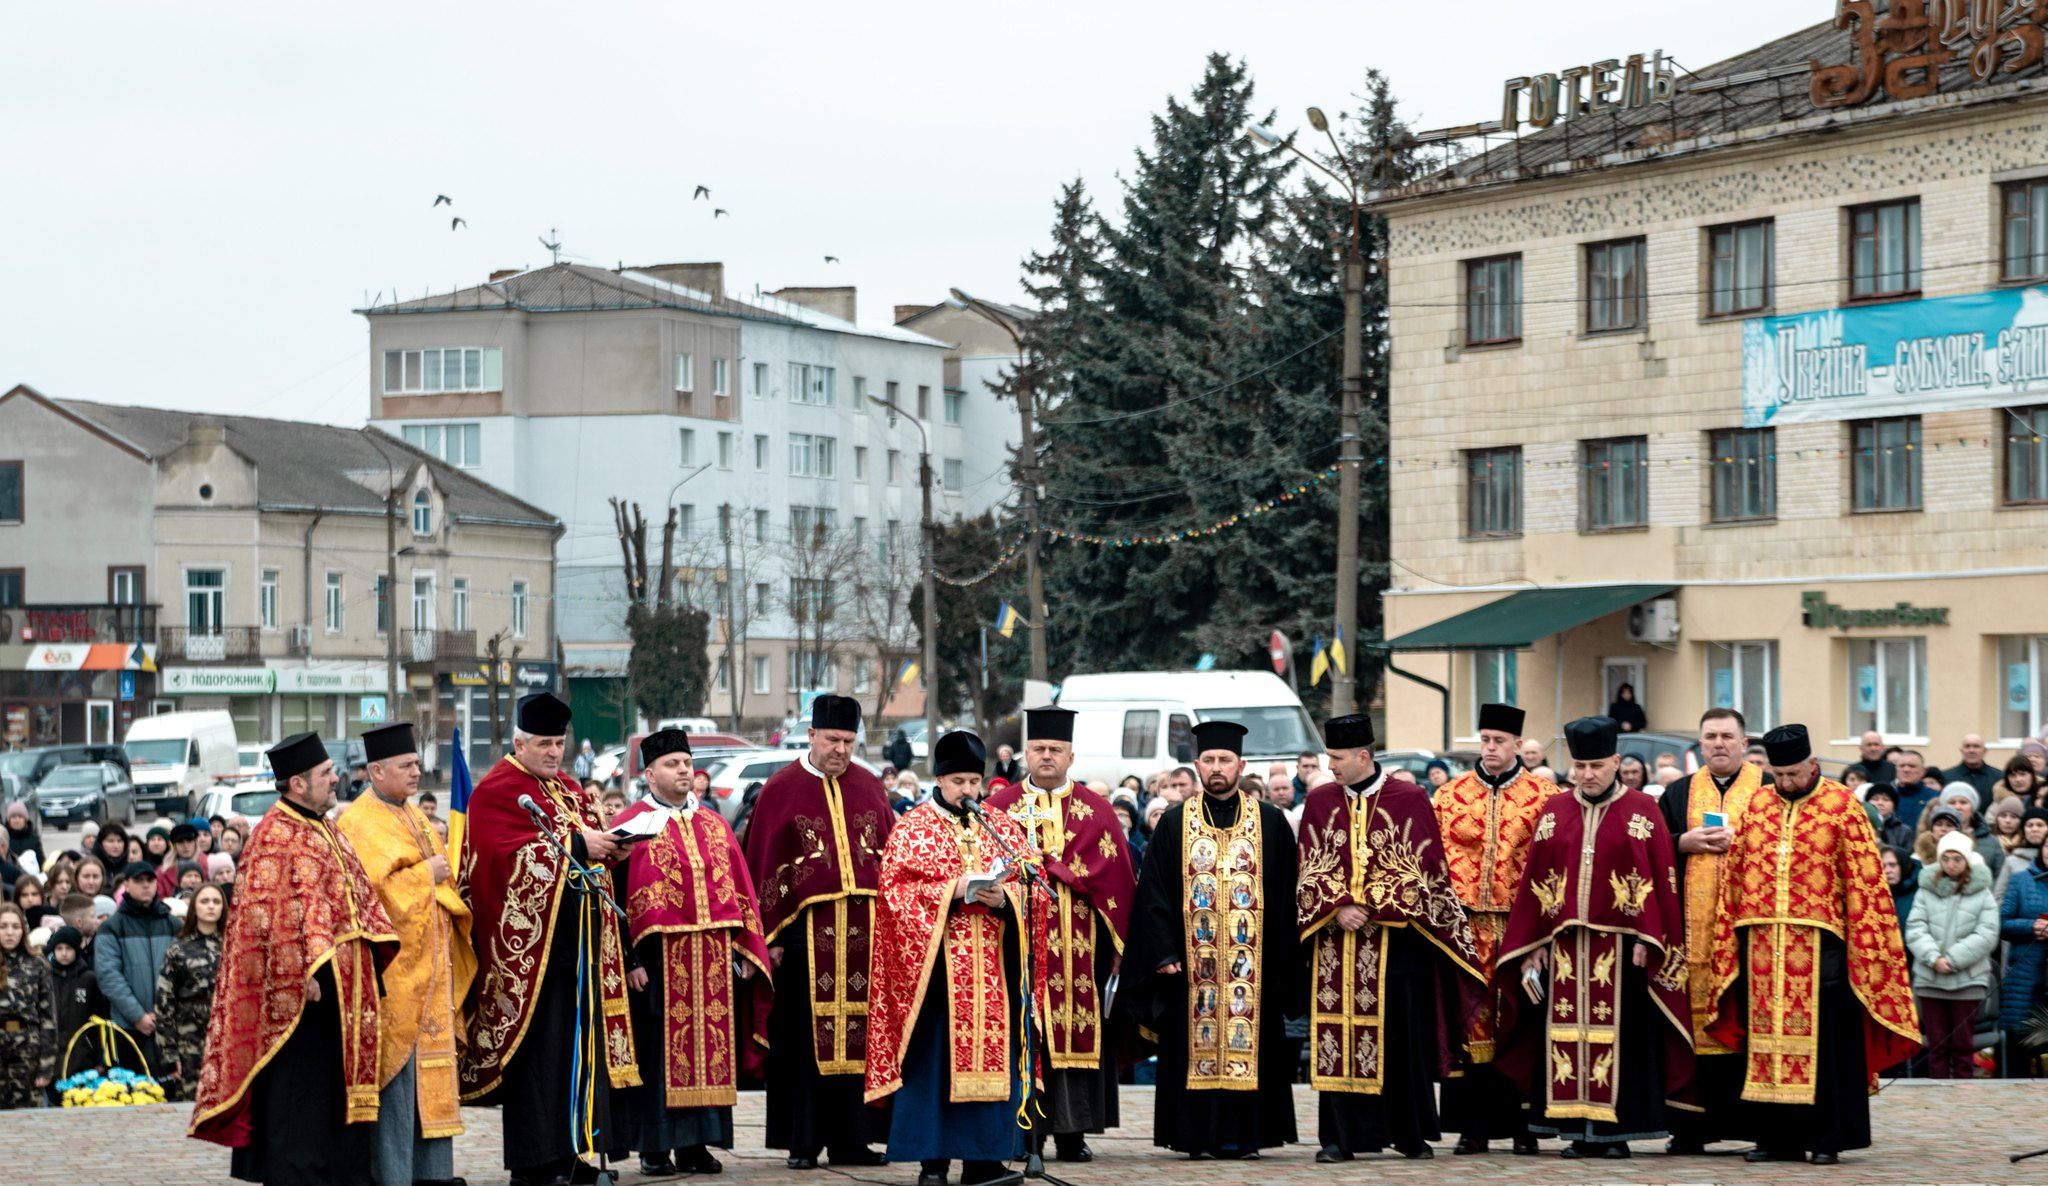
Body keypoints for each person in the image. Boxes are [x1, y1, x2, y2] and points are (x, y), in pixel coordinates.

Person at [190, 732, 399, 1186]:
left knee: (337, 1102)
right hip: (303, 1000)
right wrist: (298, 972)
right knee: (299, 1101)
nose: (335, 779)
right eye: (326, 774)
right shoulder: (274, 834)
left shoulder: (324, 826)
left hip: (346, 991)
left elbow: (353, 899)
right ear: (297, 784)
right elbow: (263, 920)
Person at [1705, 724, 1920, 1166]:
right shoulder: (1758, 805)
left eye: (1793, 774)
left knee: (1826, 1047)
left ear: (1812, 764)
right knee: (1764, 1043)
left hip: (1823, 949)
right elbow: (1736, 873)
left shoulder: (1842, 806)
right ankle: (1774, 1138)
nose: (1785, 783)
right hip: (1762, 946)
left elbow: (1865, 882)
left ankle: (1827, 1137)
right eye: (1778, 775)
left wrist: (1861, 946)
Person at [1495, 717, 1692, 1160]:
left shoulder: (1643, 810)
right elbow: (1536, 882)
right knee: (1564, 1036)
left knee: (1620, 1038)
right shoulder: (1555, 811)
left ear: (1617, 762)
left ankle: (1612, 1133)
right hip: (1564, 948)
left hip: (1623, 948)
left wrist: (1650, 934)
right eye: (1581, 765)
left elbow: (1662, 879)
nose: (1588, 774)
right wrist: (1535, 943)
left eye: (1597, 765)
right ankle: (1576, 1130)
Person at [461, 693, 637, 1186]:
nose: (554, 753)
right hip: (527, 959)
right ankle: (533, 1165)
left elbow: (588, 838)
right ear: (519, 742)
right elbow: (500, 860)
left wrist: (611, 847)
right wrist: (582, 845)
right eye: (544, 744)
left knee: (574, 1058)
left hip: (576, 949)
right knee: (536, 1062)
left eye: (559, 743)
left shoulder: (568, 788)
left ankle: (570, 1155)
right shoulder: (497, 790)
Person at [1298, 713, 1481, 1163]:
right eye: (1328, 757)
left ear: (1364, 756)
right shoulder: (1321, 801)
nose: (1331, 766)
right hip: (1335, 947)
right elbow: (1306, 868)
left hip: (1397, 947)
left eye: (1338, 758)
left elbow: (1427, 871)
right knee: (1335, 1041)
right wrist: (1337, 903)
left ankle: (1409, 1133)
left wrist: (1376, 905)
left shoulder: (1409, 798)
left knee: (1402, 1040)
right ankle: (1339, 1138)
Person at [866, 731, 1043, 1186]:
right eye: (958, 781)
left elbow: (1032, 884)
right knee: (935, 1066)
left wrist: (1005, 898)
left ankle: (985, 1160)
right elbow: (894, 894)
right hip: (937, 976)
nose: (968, 790)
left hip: (993, 974)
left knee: (994, 1063)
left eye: (974, 781)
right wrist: (956, 891)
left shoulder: (1001, 827)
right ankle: (934, 1163)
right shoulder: (913, 828)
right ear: (939, 780)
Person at [1121, 720, 1301, 1159]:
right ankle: (1194, 1138)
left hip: (1253, 969)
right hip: (1191, 968)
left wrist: (1281, 958)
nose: (1217, 768)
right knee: (1189, 1048)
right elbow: (1154, 894)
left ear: (1241, 765)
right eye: (1209, 761)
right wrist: (1163, 951)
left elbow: (1284, 895)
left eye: (1225, 760)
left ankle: (1248, 1137)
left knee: (1254, 1044)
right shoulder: (1175, 823)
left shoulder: (1272, 824)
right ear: (1197, 765)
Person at [606, 728, 770, 1177]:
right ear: (651, 773)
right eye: (672, 764)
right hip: (658, 962)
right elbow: (612, 900)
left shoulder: (715, 825)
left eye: (686, 763)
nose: (683, 771)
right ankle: (655, 1147)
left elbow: (741, 893)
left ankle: (696, 1144)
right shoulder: (631, 825)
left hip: (714, 960)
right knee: (661, 1054)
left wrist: (744, 951)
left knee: (711, 1050)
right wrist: (629, 960)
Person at [742, 694, 894, 1170]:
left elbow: (888, 861)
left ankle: (853, 1139)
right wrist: (767, 939)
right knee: (801, 1042)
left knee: (861, 1039)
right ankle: (802, 1141)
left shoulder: (870, 787)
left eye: (849, 741)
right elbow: (762, 867)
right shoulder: (780, 789)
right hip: (802, 941)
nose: (841, 750)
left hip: (864, 938)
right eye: (832, 740)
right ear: (811, 735)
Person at [983, 706, 1135, 1164]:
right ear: (1025, 753)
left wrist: (1118, 952)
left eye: (1055, 750)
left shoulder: (1098, 811)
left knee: (1075, 1035)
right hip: (1018, 945)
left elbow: (1119, 888)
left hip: (1081, 950)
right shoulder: (998, 809)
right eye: (1038, 749)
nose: (1046, 756)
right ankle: (1022, 1132)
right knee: (1025, 1035)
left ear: (1071, 756)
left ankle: (1073, 1133)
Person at [334, 722, 474, 1186]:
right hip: (395, 975)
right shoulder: (358, 821)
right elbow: (368, 893)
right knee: (397, 1086)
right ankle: (394, 1177)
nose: (417, 772)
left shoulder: (411, 814)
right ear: (376, 770)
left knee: (432, 1082)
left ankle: (434, 1175)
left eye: (417, 764)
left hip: (431, 971)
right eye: (406, 766)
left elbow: (441, 875)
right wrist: (427, 877)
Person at [1431, 702, 1553, 1156]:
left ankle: (1523, 1125)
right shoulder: (1450, 795)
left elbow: (1550, 870)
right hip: (1465, 927)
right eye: (1484, 740)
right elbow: (1433, 863)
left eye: (1499, 741)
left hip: (1520, 930)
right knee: (1470, 1021)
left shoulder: (1545, 797)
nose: (1490, 748)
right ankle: (1472, 1126)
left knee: (1517, 1021)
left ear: (1518, 745)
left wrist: (1541, 932)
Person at [1651, 706, 1759, 1155]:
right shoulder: (1677, 793)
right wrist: (1682, 842)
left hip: (1746, 936)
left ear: (1744, 744)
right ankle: (1690, 1129)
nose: (1718, 743)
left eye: (1726, 736)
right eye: (1710, 736)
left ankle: (1753, 1126)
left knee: (1746, 1024)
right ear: (1700, 743)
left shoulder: (1768, 791)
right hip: (1689, 938)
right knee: (1690, 1033)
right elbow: (1651, 851)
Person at [1903, 834, 1998, 1080]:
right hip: (1930, 979)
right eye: (1946, 858)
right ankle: (1938, 1099)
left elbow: (1987, 933)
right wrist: (1933, 957)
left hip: (1968, 980)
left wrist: (1953, 959)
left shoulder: (1983, 894)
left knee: (1963, 1045)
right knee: (1937, 1045)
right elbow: (1915, 927)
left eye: (1957, 859)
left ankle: (1964, 1099)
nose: (1951, 864)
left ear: (1967, 861)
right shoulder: (1926, 890)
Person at [94, 860, 176, 1073]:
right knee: (131, 1093)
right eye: (139, 881)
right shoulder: (111, 927)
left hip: (168, 1025)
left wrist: (164, 1013)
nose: (146, 885)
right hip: (127, 1027)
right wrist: (138, 1016)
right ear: (127, 885)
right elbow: (109, 976)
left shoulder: (172, 923)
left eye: (150, 880)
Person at [155, 882, 226, 1101]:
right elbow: (164, 1001)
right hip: (189, 1035)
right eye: (204, 901)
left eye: (216, 901)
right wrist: (169, 1053)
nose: (211, 906)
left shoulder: (231, 945)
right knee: (192, 1100)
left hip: (225, 1032)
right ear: (194, 907)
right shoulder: (179, 948)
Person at [1998, 836, 2048, 1072]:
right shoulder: (2020, 880)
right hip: (2024, 974)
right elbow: (2003, 924)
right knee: (2019, 1042)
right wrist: (2032, 926)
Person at [0, 902, 55, 1108]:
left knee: (27, 1115)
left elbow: (48, 1016)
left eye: (15, 927)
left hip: (27, 1049)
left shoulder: (37, 963)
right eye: (3, 926)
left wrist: (46, 1067)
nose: (9, 932)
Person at [45, 924, 104, 1069]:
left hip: (83, 1056)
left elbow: (100, 1019)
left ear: (76, 950)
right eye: (59, 948)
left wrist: (100, 1059)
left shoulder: (88, 979)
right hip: (51, 1057)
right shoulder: (46, 978)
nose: (64, 953)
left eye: (69, 948)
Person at [1998, 807, 2048, 900]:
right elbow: (1999, 896)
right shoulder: (2011, 861)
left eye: (2040, 825)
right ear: (2023, 831)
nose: (2034, 829)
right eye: (2029, 825)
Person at [4, 802, 40, 870]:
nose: (17, 820)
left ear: (25, 820)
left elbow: (40, 863)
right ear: (9, 820)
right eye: (14, 817)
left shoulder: (34, 840)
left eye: (20, 817)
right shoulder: (4, 840)